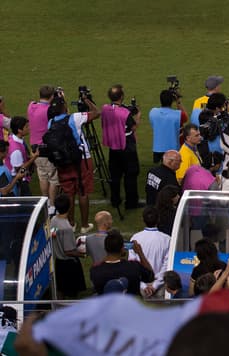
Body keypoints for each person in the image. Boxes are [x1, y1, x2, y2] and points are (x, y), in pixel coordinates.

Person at [47, 91, 98, 228]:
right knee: (82, 191)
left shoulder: (50, 122)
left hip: (62, 162)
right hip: (80, 160)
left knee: (68, 192)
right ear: (64, 107)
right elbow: (96, 112)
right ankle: (85, 225)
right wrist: (86, 99)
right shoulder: (74, 118)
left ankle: (71, 223)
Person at [101, 84, 140, 210]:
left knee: (115, 174)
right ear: (122, 96)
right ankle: (131, 202)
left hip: (113, 145)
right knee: (131, 174)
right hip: (126, 145)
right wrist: (138, 115)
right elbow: (133, 126)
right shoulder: (124, 113)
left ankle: (115, 200)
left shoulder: (106, 108)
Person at [90, 230, 155, 295]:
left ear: (105, 248)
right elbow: (150, 277)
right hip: (129, 304)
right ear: (122, 249)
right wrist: (140, 253)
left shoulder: (95, 270)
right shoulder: (134, 267)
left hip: (106, 305)